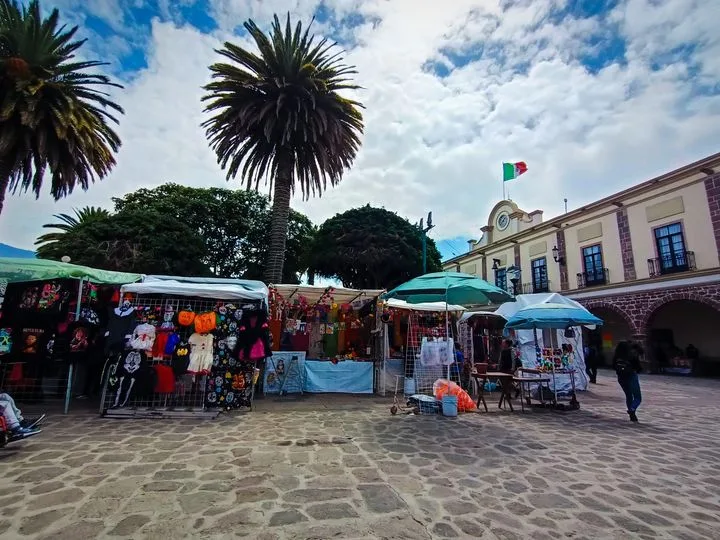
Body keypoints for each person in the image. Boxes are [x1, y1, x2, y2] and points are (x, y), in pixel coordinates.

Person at [612, 342, 642, 422]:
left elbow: (613, 366)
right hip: (631, 376)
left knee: (628, 396)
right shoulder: (631, 355)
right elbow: (638, 367)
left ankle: (632, 416)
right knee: (637, 397)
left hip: (621, 378)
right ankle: (632, 410)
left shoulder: (616, 357)